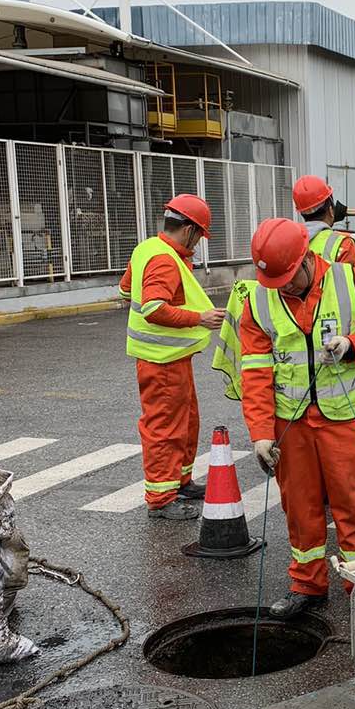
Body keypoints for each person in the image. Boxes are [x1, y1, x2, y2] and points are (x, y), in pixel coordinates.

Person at [239, 217, 355, 617]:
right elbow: (255, 373)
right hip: (290, 424)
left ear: (307, 259)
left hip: (344, 418)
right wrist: (260, 434)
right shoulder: (258, 301)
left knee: (353, 505)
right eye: (277, 283)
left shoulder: (349, 281)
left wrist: (352, 344)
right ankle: (307, 585)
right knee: (300, 507)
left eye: (289, 279)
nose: (284, 288)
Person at [119, 195, 225, 520]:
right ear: (191, 229)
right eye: (200, 236)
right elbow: (152, 308)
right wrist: (199, 318)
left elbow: (126, 291)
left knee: (187, 420)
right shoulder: (164, 259)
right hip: (161, 360)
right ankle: (161, 499)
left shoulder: (148, 249)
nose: (199, 244)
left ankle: (180, 480)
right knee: (165, 427)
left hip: (172, 357)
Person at [292, 175, 355, 265]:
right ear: (331, 210)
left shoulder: (292, 243)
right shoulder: (343, 244)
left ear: (301, 212)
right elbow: (354, 278)